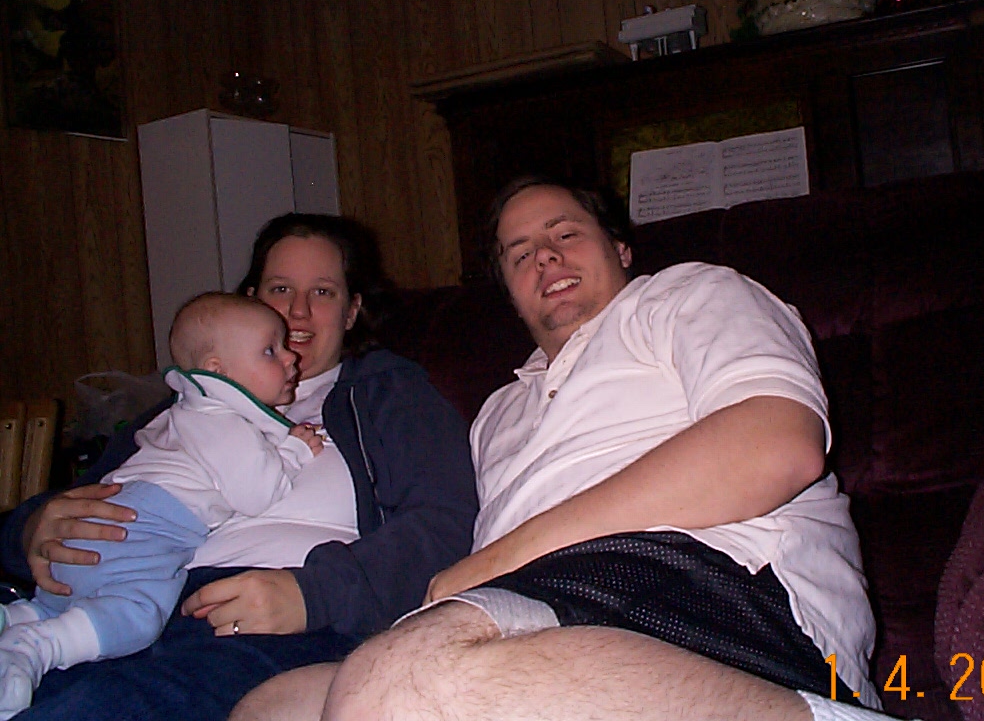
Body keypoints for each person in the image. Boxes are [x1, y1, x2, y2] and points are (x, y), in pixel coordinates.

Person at [231, 178, 916, 721]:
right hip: (546, 608)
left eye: (565, 234)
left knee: (403, 681)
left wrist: (499, 560)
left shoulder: (690, 295)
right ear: (508, 291)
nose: (546, 257)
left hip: (722, 585)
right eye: (520, 254)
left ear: (620, 248)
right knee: (276, 707)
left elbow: (776, 446)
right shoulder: (497, 413)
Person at [0, 213, 477, 721]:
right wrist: (32, 527)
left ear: (351, 311)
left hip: (271, 625)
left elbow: (448, 524)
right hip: (122, 598)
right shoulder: (187, 405)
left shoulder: (390, 393)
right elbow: (60, 505)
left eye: (322, 292)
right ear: (250, 300)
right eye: (280, 289)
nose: (297, 311)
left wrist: (311, 595)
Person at [0, 292, 324, 718]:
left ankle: (17, 621)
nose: (289, 358)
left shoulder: (186, 411)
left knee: (56, 604)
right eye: (270, 350)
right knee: (137, 616)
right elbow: (256, 493)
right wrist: (295, 451)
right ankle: (40, 646)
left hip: (102, 527)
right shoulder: (220, 420)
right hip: (141, 530)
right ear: (218, 371)